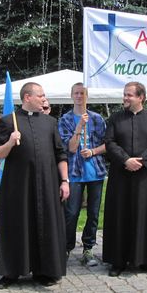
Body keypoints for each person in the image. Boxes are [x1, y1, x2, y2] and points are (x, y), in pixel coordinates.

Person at [0, 82, 69, 289]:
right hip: (18, 185)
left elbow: (60, 154)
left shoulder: (50, 122)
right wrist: (9, 142)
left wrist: (65, 181)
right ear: (27, 97)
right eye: (40, 96)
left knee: (45, 225)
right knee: (17, 225)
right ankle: (11, 272)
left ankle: (44, 271)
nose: (43, 99)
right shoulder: (9, 121)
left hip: (47, 184)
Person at [103, 82, 147, 277]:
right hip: (121, 175)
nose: (125, 98)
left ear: (141, 97)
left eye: (129, 95)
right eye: (124, 94)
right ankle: (118, 260)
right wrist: (126, 160)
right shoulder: (115, 118)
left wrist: (141, 161)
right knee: (120, 215)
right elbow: (109, 142)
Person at [58, 83, 106, 266]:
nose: (79, 96)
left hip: (96, 172)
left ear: (87, 96)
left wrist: (94, 151)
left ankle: (88, 248)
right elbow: (70, 148)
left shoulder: (97, 118)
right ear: (71, 96)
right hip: (74, 172)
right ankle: (67, 247)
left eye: (82, 93)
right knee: (71, 212)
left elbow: (108, 143)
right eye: (76, 93)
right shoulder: (65, 120)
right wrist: (79, 126)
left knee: (93, 214)